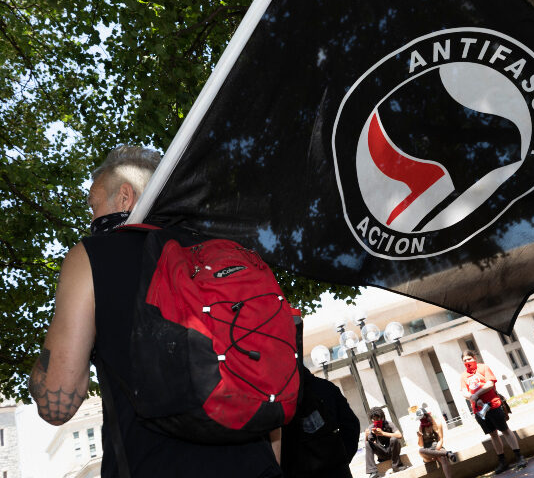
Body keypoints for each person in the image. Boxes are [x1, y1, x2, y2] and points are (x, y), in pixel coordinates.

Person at [28, 145, 282, 477]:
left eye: (93, 206)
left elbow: (57, 404)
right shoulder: (229, 255)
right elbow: (272, 389)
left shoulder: (91, 256)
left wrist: (44, 367)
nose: (91, 218)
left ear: (124, 197)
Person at [281, 367, 360, 478]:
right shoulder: (326, 387)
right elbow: (351, 425)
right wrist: (342, 457)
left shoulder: (280, 400)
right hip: (336, 468)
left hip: (302, 470)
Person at [459, 350, 526, 474]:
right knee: (493, 434)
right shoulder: (464, 376)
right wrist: (472, 398)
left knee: (505, 430)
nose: (467, 362)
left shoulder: (484, 368)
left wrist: (477, 395)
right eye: (464, 360)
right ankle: (502, 461)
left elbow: (490, 384)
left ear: (474, 358)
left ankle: (519, 456)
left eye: (469, 359)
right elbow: (463, 391)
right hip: (479, 411)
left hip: (493, 405)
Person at [364, 406, 407, 478]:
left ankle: (396, 466)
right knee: (367, 443)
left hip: (392, 452)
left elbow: (399, 435)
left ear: (382, 417)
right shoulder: (372, 427)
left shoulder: (389, 424)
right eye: (373, 419)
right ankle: (373, 472)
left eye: (377, 418)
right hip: (382, 454)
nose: (375, 420)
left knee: (394, 439)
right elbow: (368, 445)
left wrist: (383, 433)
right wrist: (366, 436)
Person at [416, 406, 456, 478]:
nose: (421, 420)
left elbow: (440, 439)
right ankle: (447, 453)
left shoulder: (437, 423)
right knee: (420, 450)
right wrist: (420, 436)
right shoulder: (421, 427)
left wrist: (436, 453)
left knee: (443, 459)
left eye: (422, 417)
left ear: (427, 415)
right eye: (420, 419)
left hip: (437, 447)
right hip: (427, 451)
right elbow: (421, 445)